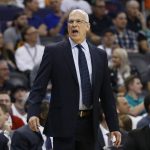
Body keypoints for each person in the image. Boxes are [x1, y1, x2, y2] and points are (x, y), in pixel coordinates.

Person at [27, 9, 121, 150]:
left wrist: (114, 125)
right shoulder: (54, 52)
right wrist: (33, 112)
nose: (74, 25)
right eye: (70, 21)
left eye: (78, 21)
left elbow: (106, 94)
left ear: (87, 26)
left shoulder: (99, 55)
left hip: (90, 124)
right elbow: (38, 86)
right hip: (63, 123)